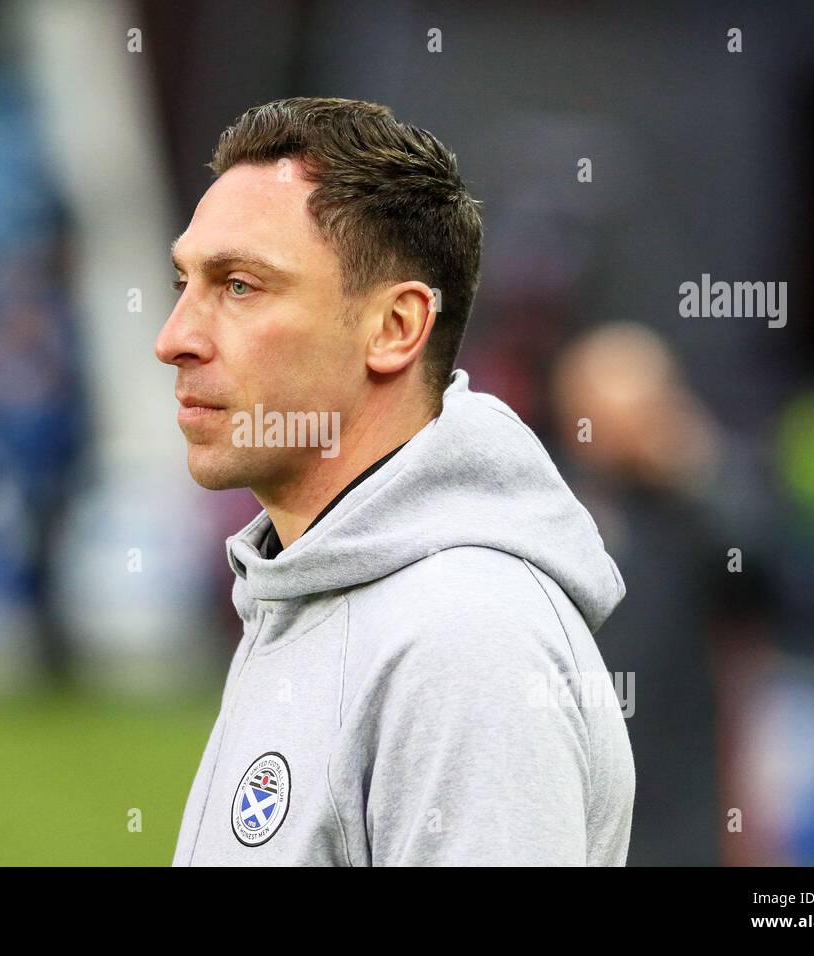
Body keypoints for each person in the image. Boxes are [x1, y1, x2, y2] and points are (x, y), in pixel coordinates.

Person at [155, 97, 634, 865]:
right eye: (183, 281)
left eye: (238, 285)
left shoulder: (466, 641)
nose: (173, 338)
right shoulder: (309, 591)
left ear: (396, 328)